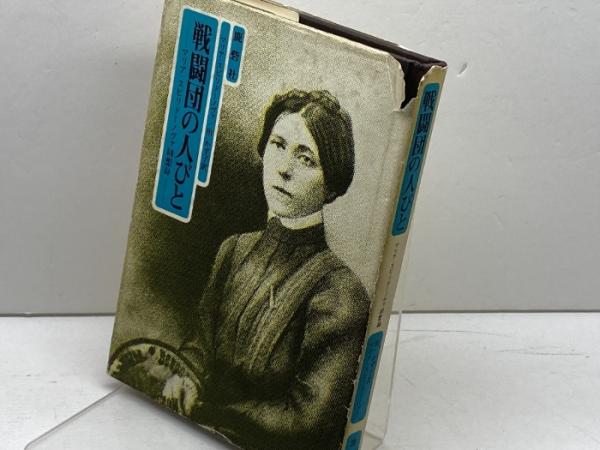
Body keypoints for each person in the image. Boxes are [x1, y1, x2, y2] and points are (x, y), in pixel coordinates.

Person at [163, 89, 370, 450]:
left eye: (305, 159)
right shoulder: (233, 250)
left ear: (331, 185)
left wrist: (209, 412)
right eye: (278, 145)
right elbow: (200, 345)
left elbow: (306, 420)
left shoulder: (339, 292)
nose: (284, 169)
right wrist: (186, 378)